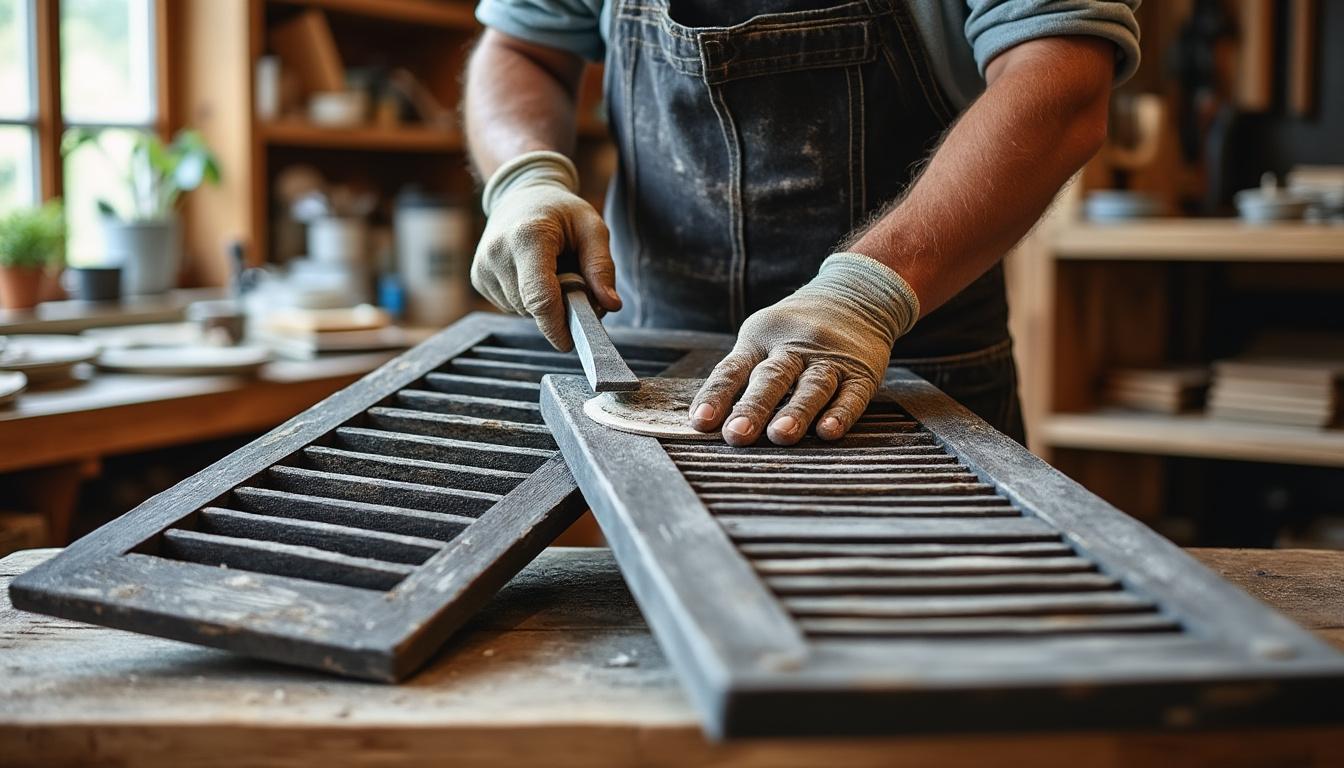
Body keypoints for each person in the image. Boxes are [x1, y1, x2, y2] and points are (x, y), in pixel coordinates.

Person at [465, 0, 1140, 446]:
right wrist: (525, 179)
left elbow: (1061, 80)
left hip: (902, 362)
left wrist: (867, 295)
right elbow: (523, 49)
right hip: (649, 358)